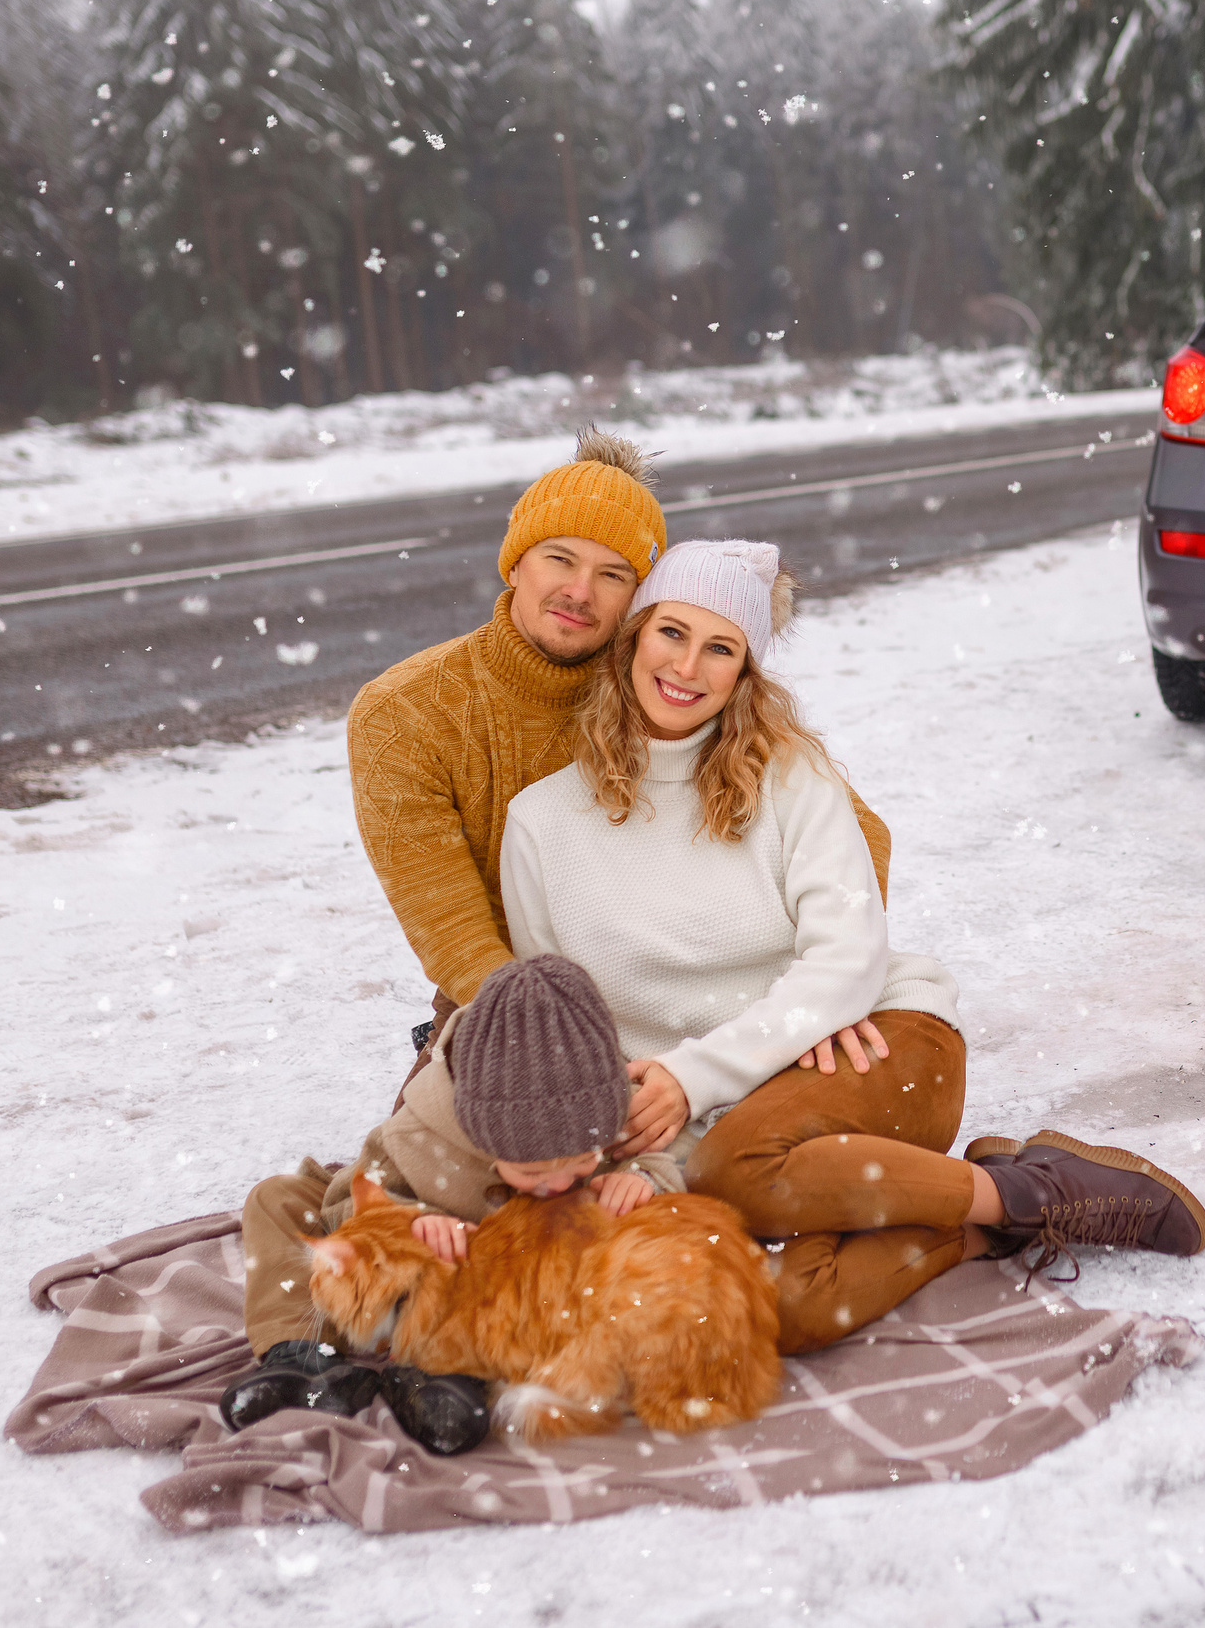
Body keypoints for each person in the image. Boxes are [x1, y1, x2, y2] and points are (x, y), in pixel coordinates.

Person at [499, 538, 1205, 1355]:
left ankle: (1043, 1192)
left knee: (736, 1168)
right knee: (772, 1308)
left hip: (875, 1043)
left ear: (745, 670)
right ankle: (987, 1217)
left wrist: (704, 1072)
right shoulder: (540, 824)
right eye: (671, 632)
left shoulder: (787, 776)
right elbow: (560, 1023)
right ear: (633, 637)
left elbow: (847, 960)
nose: (687, 666)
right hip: (710, 1126)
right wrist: (632, 1155)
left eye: (721, 647)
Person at [345, 428, 890, 1137]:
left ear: (638, 595)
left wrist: (811, 1005)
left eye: (613, 574)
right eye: (559, 558)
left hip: (700, 992)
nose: (580, 591)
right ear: (515, 562)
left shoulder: (659, 680)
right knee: (439, 1179)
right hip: (507, 995)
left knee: (727, 1173)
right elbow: (451, 928)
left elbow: (858, 834)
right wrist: (557, 1048)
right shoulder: (404, 712)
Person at [222, 952, 674, 1454]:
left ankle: (439, 1381)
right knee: (276, 1199)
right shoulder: (416, 1134)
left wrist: (642, 1177)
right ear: (480, 1135)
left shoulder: (600, 1112)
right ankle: (300, 1359)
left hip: (488, 1297)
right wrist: (413, 1220)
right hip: (402, 1273)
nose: (559, 1183)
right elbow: (346, 1204)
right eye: (531, 1172)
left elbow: (664, 1167)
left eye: (584, 1161)